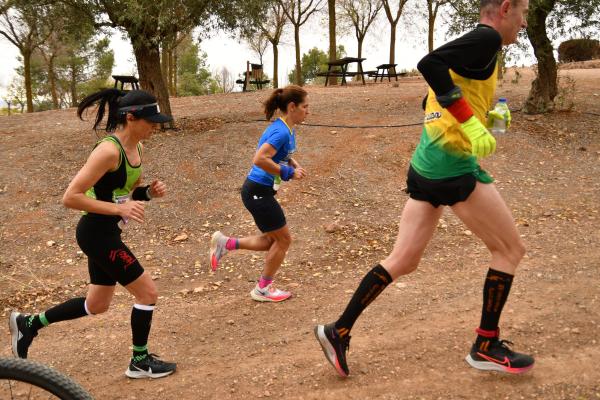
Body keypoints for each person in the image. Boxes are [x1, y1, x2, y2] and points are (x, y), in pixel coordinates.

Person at [315, 0, 534, 377]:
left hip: (424, 166)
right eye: (524, 13)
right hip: (451, 169)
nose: (525, 22)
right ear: (504, 8)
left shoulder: (478, 47)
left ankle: (339, 330)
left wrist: (484, 118)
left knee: (404, 259)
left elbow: (430, 96)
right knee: (510, 249)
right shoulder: (485, 39)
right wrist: (468, 121)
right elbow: (428, 64)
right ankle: (485, 345)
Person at [9, 89, 177, 379]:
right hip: (97, 234)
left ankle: (29, 324)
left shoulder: (137, 149)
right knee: (148, 293)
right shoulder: (108, 151)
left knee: (96, 304)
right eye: (150, 120)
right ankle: (139, 361)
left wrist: (147, 193)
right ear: (130, 117)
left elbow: (122, 194)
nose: (155, 125)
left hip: (107, 232)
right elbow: (71, 197)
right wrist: (118, 211)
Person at [209, 85, 308, 302]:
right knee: (283, 241)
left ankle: (226, 243)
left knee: (271, 241)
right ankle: (262, 290)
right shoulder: (281, 130)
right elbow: (260, 159)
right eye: (305, 106)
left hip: (260, 192)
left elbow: (281, 155)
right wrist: (288, 173)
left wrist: (294, 164)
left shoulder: (286, 129)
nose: (307, 111)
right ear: (292, 107)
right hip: (257, 192)